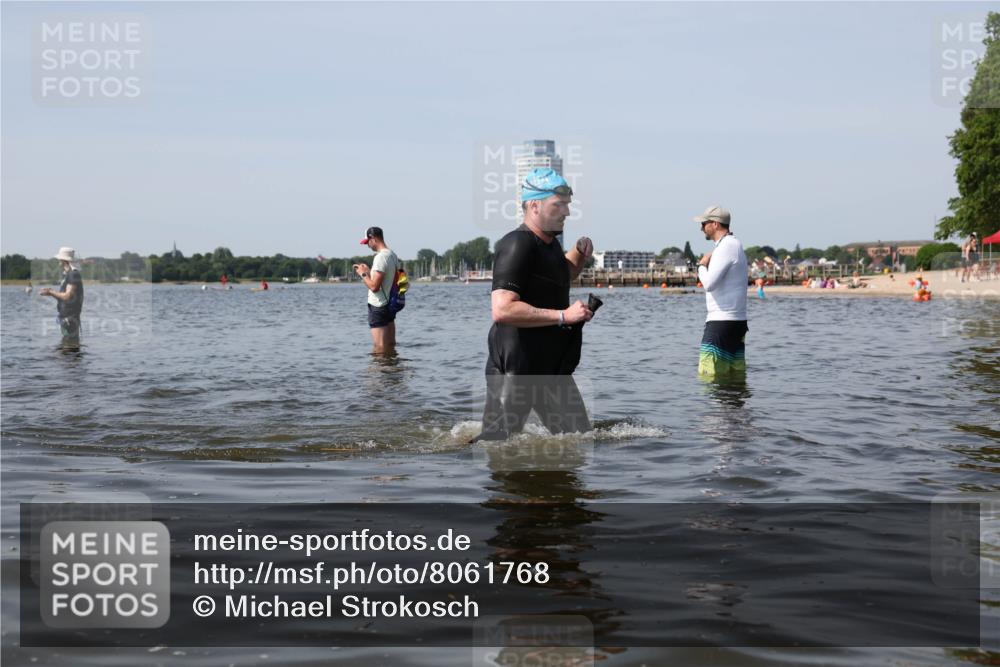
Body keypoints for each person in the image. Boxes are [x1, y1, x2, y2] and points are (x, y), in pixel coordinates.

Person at [476, 168, 594, 441]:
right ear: (534, 205)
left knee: (581, 438)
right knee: (497, 445)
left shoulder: (549, 245)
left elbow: (558, 276)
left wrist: (577, 253)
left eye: (567, 205)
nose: (566, 212)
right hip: (516, 366)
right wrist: (564, 315)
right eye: (558, 205)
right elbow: (502, 308)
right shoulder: (517, 244)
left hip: (549, 366)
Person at [694, 206, 748, 378]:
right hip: (735, 321)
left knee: (709, 376)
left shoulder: (726, 246)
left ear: (715, 224)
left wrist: (702, 265)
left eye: (704, 223)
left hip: (721, 321)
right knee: (734, 377)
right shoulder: (733, 244)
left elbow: (709, 283)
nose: (701, 227)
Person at [354, 226, 399, 355]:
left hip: (378, 306)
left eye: (367, 242)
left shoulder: (380, 258)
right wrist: (369, 272)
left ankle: (381, 374)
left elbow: (374, 287)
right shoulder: (392, 255)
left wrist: (363, 274)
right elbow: (388, 279)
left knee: (379, 347)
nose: (368, 245)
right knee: (390, 345)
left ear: (373, 239)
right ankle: (391, 371)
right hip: (390, 304)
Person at [39, 246, 85, 346]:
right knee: (67, 348)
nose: (58, 261)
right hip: (67, 318)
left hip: (70, 319)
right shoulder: (69, 274)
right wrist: (51, 293)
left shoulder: (73, 274)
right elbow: (65, 297)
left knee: (68, 348)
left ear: (63, 260)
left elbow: (68, 296)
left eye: (59, 259)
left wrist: (51, 292)